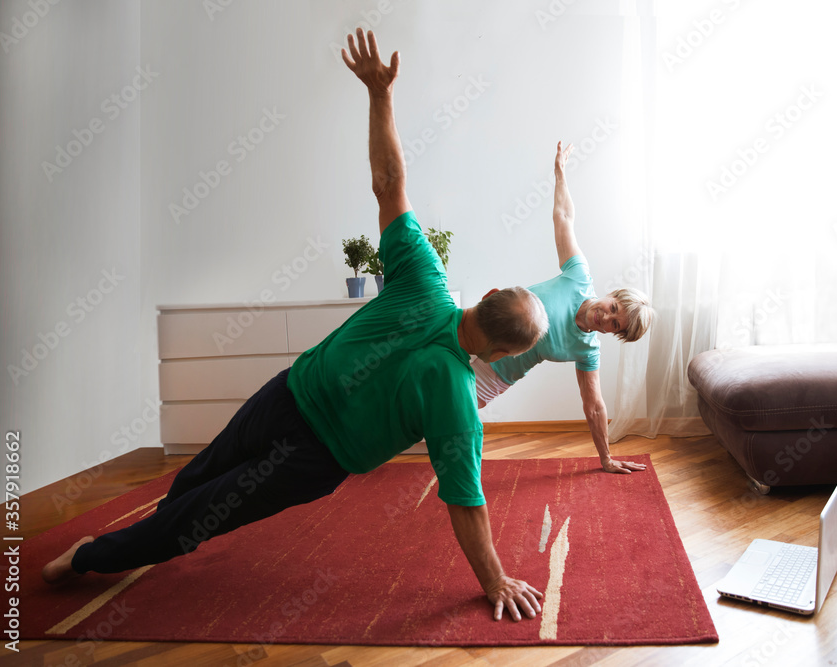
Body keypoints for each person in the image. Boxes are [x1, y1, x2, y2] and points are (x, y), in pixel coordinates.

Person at [43, 29, 549, 623]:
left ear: (487, 295)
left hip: (286, 397)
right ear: (502, 354)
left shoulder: (425, 277)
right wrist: (495, 581)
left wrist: (380, 95)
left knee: (203, 488)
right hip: (306, 436)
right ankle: (118, 548)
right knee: (201, 496)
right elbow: (466, 503)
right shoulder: (459, 401)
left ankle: (107, 552)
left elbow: (389, 185)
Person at [472, 142, 655, 474]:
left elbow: (594, 406)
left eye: (615, 324)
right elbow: (564, 217)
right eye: (613, 307)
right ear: (611, 293)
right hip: (479, 331)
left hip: (495, 376)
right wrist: (560, 171)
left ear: (615, 334)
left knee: (440, 418)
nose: (606, 316)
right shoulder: (578, 276)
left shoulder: (587, 350)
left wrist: (605, 458)